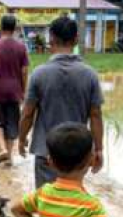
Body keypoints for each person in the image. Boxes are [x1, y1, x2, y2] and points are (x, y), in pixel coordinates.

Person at [19, 16, 105, 189]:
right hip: (77, 153)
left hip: (47, 151)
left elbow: (28, 113)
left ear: (51, 39)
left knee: (47, 200)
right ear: (75, 40)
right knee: (71, 201)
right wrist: (98, 149)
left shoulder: (39, 74)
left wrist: (21, 139)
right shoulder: (90, 75)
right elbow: (95, 115)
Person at [0, 15, 30, 165]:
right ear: (14, 28)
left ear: (1, 28)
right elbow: (24, 72)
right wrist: (23, 90)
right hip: (14, 90)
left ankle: (2, 149)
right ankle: (9, 157)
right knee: (11, 123)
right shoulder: (21, 48)